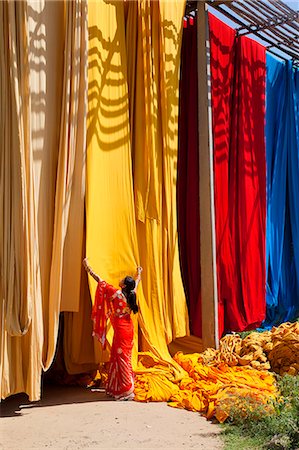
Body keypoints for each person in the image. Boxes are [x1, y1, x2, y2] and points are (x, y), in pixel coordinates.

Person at [83, 258, 142, 401]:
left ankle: (127, 389)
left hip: (121, 330)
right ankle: (116, 386)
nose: (120, 280)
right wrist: (139, 274)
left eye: (122, 280)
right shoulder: (131, 294)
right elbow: (137, 284)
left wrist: (88, 268)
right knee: (120, 356)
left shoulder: (117, 294)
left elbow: (100, 281)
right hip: (128, 329)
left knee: (120, 358)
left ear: (124, 285)